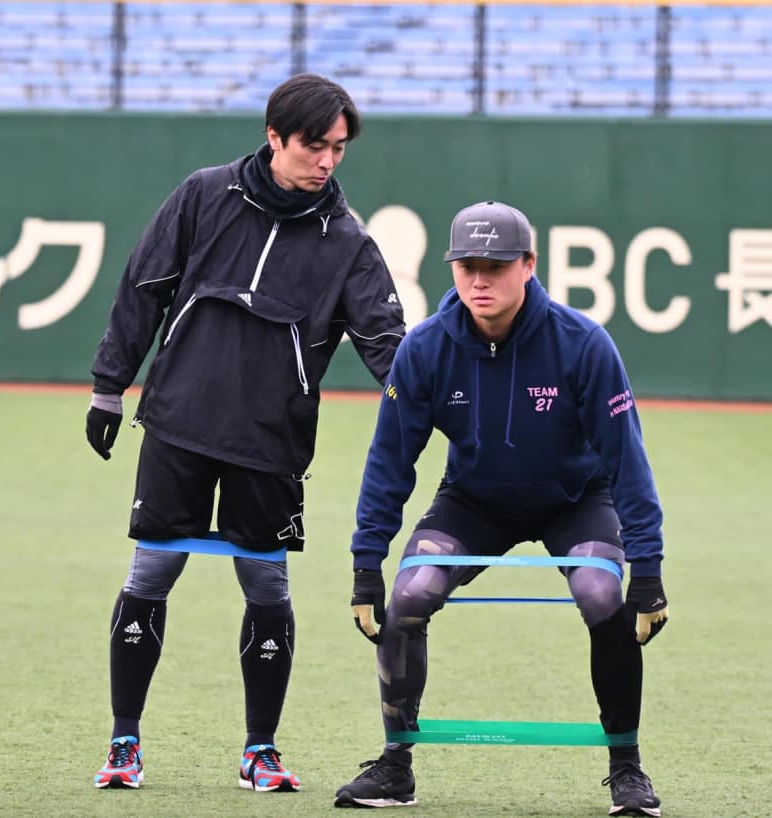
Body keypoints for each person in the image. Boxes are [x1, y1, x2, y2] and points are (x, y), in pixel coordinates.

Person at [85, 73, 405, 792]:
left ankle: (260, 751)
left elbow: (388, 342)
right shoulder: (204, 195)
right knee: (153, 573)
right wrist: (110, 388)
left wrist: (426, 401)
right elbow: (145, 285)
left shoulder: (348, 243)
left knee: (266, 584)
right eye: (313, 145)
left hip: (271, 439)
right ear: (273, 137)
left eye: (339, 149)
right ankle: (124, 743)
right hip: (180, 422)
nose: (326, 161)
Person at [334, 200, 669, 817]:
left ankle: (626, 766)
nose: (479, 280)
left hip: (576, 501)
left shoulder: (584, 344)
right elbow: (389, 461)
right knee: (409, 598)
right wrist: (365, 565)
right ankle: (395, 767)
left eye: (496, 265)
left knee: (603, 596)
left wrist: (646, 573)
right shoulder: (426, 348)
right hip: (473, 502)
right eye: (467, 266)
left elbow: (627, 462)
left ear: (529, 265)